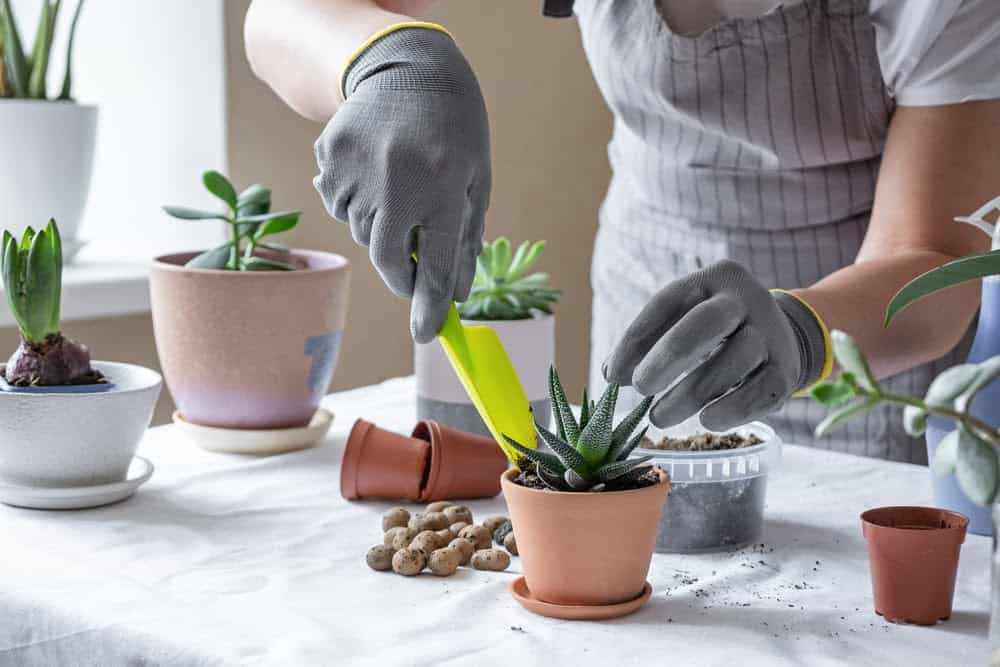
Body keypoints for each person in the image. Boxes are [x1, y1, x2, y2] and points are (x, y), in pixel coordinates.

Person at [244, 0, 1000, 463]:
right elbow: (281, 12)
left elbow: (933, 255)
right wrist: (392, 62)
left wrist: (804, 330)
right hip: (640, 320)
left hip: (863, 379)